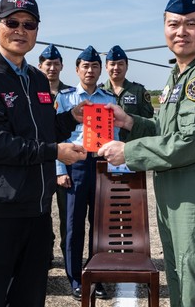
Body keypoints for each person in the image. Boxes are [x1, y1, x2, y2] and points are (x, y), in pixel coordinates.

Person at [98, 0, 195, 307]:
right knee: (180, 285)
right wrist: (131, 123)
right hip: (175, 197)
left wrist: (129, 152)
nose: (181, 32)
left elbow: (189, 143)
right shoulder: (178, 76)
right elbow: (166, 130)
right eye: (173, 24)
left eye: (191, 24)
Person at [0, 0, 87, 307]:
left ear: (36, 31)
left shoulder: (37, 80)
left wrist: (70, 118)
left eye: (29, 24)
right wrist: (55, 152)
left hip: (36, 210)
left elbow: (41, 133)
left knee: (29, 299)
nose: (20, 30)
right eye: (11, 22)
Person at [55, 45, 117, 301]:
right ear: (77, 69)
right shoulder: (66, 98)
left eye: (94, 66)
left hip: (101, 164)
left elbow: (116, 137)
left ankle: (97, 275)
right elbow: (55, 135)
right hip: (75, 164)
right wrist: (60, 169)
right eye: (85, 66)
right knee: (73, 224)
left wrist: (114, 170)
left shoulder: (109, 99)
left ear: (100, 70)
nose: (90, 70)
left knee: (100, 226)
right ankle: (75, 277)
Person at [37, 43, 71, 263]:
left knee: (67, 215)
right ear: (40, 66)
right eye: (48, 64)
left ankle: (66, 253)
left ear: (61, 66)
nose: (52, 68)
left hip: (65, 161)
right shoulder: (33, 92)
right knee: (41, 214)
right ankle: (45, 254)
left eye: (56, 64)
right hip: (40, 161)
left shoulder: (69, 93)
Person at [100, 45, 154, 140]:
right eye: (112, 64)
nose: (116, 68)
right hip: (106, 148)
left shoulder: (139, 91)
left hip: (131, 148)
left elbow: (149, 123)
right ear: (106, 67)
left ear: (127, 66)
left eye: (120, 64)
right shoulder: (99, 92)